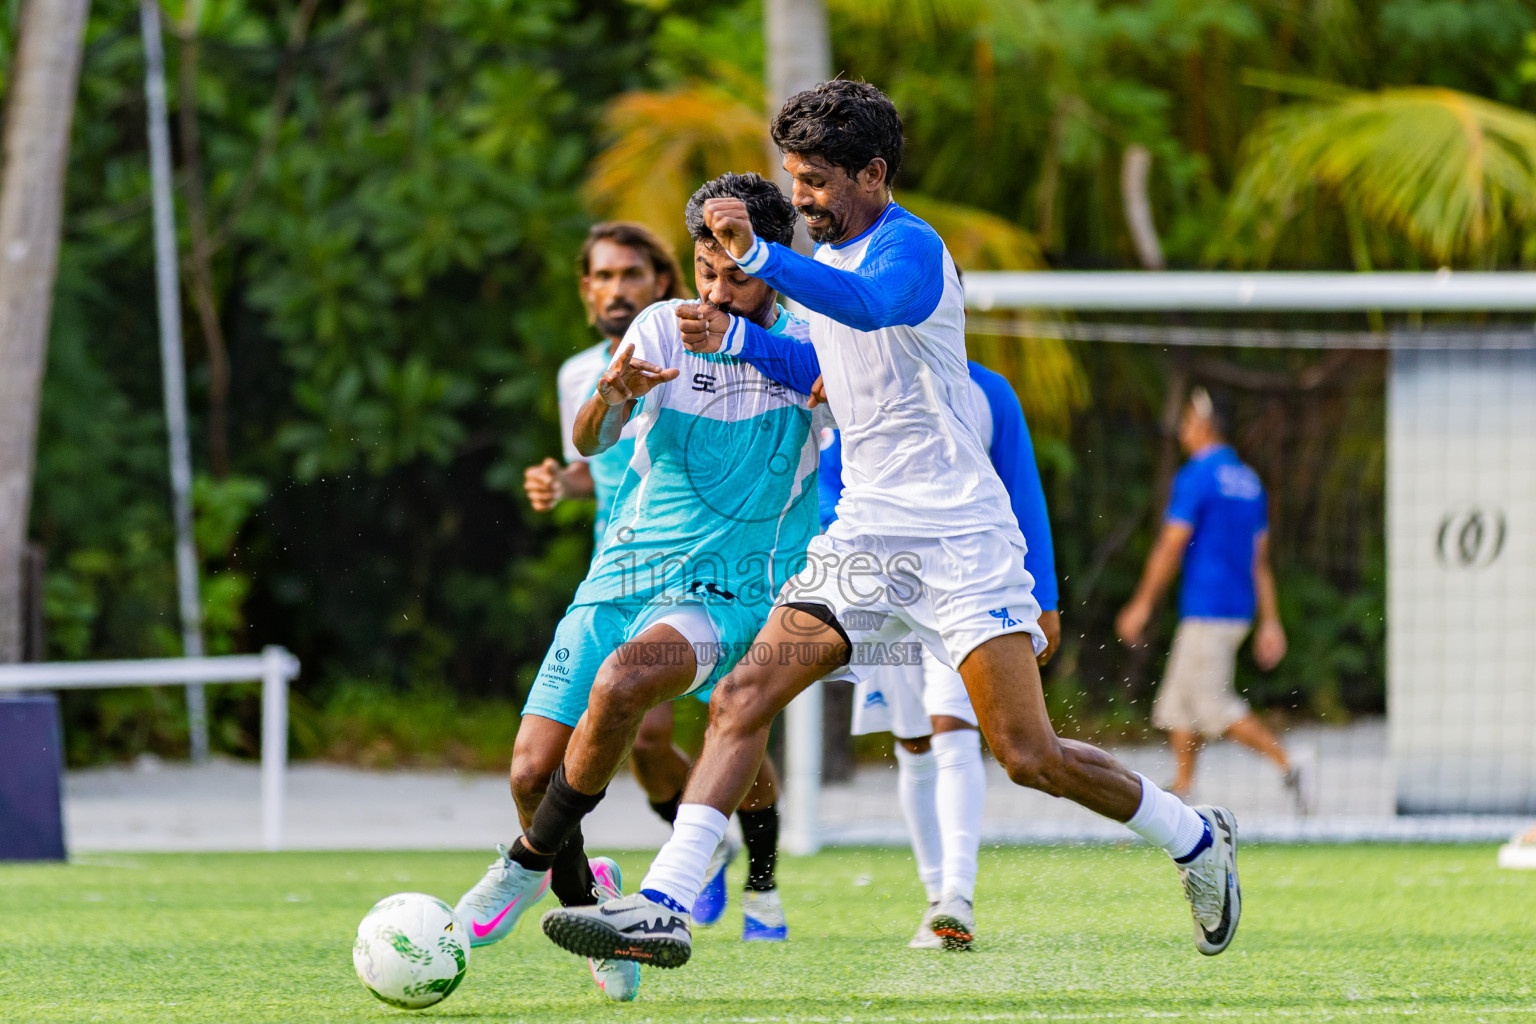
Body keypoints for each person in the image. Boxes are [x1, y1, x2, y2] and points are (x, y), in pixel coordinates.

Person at [539, 80, 1241, 975]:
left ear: (874, 173)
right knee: (742, 697)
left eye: (818, 181)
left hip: (958, 540)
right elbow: (818, 357)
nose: (801, 199)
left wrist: (757, 251)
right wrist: (734, 338)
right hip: (866, 538)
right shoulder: (822, 255)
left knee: (1026, 756)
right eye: (793, 179)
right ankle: (668, 903)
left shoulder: (911, 249)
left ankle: (1192, 837)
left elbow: (871, 311)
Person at [454, 172, 819, 999]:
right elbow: (593, 437)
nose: (717, 290)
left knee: (631, 690)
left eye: (738, 270)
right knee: (528, 773)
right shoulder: (662, 324)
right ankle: (596, 921)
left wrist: (738, 341)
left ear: (775, 262)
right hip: (622, 570)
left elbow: (835, 389)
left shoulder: (814, 335)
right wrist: (611, 398)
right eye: (705, 269)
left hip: (728, 584)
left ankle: (522, 869)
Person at [521, 221, 781, 938]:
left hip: (715, 572)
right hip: (622, 570)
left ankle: (748, 871)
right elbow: (602, 467)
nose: (615, 289)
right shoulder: (578, 373)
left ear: (660, 283)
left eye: (630, 274)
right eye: (601, 277)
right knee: (624, 737)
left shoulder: (685, 343)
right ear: (584, 291)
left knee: (722, 711)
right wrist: (560, 484)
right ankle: (676, 860)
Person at [1115, 386, 1313, 814]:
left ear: (1205, 424)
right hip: (1235, 611)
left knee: (1212, 706)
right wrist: (1270, 620)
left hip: (1208, 610)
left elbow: (1171, 546)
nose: (1182, 430)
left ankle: (1290, 763)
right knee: (1178, 703)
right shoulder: (1249, 481)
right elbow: (1260, 560)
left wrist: (1143, 603)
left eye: (1186, 421)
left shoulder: (1197, 476)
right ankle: (1183, 790)